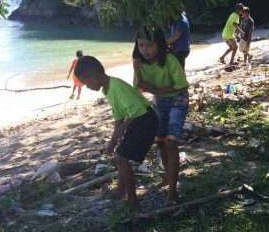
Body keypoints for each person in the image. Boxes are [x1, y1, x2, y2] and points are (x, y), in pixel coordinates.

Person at [74, 56, 158, 208]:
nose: (86, 87)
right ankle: (121, 191)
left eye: (86, 83)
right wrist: (113, 141)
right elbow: (118, 117)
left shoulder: (116, 86)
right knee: (120, 155)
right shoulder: (107, 89)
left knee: (121, 157)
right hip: (137, 120)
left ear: (93, 76)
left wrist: (121, 131)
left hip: (145, 120)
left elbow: (136, 111)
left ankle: (132, 198)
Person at [132, 26, 189, 202]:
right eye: (141, 45)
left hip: (178, 99)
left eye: (149, 45)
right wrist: (137, 70)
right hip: (159, 101)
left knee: (171, 142)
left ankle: (172, 192)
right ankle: (168, 176)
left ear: (159, 45)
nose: (145, 50)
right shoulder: (140, 64)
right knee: (160, 142)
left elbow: (182, 86)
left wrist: (155, 89)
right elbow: (138, 88)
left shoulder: (170, 60)